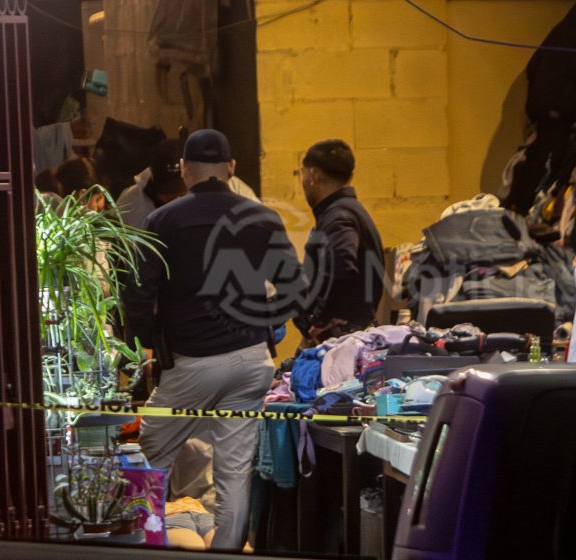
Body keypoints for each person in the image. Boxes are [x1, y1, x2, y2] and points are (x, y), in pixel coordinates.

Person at [122, 129, 306, 551]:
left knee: (148, 453)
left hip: (192, 363)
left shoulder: (162, 221)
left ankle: (142, 543)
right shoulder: (262, 218)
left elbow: (137, 291)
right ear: (232, 168)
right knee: (234, 474)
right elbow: (295, 290)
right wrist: (265, 323)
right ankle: (226, 553)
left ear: (184, 169)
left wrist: (147, 339)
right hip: (252, 362)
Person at [294, 139, 384, 341]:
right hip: (346, 334)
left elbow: (341, 266)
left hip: (341, 337)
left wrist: (320, 319)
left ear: (313, 175)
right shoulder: (346, 211)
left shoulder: (338, 216)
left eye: (302, 173)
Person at [118, 139, 262, 230]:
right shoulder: (130, 205)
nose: (175, 201)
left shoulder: (234, 192)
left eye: (182, 193)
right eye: (168, 194)